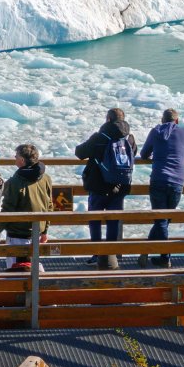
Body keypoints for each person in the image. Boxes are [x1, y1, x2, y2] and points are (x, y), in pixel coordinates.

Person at [74, 107, 136, 270]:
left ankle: (97, 254)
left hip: (98, 185)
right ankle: (111, 255)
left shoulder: (100, 137)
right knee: (113, 220)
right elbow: (133, 153)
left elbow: (79, 152)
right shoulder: (129, 138)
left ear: (108, 119)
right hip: (120, 185)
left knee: (95, 219)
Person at [139, 108, 184, 267]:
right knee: (164, 220)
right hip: (177, 181)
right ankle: (158, 254)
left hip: (158, 180)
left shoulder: (156, 131)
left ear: (162, 120)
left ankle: (162, 256)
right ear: (177, 120)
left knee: (162, 220)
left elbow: (143, 154)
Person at [1, 144, 53, 273]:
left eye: (16, 156)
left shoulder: (16, 181)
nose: (14, 158)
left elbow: (8, 208)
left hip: (17, 233)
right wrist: (45, 230)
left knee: (15, 268)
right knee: (33, 264)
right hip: (37, 231)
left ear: (22, 160)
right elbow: (49, 205)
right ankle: (38, 288)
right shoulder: (45, 177)